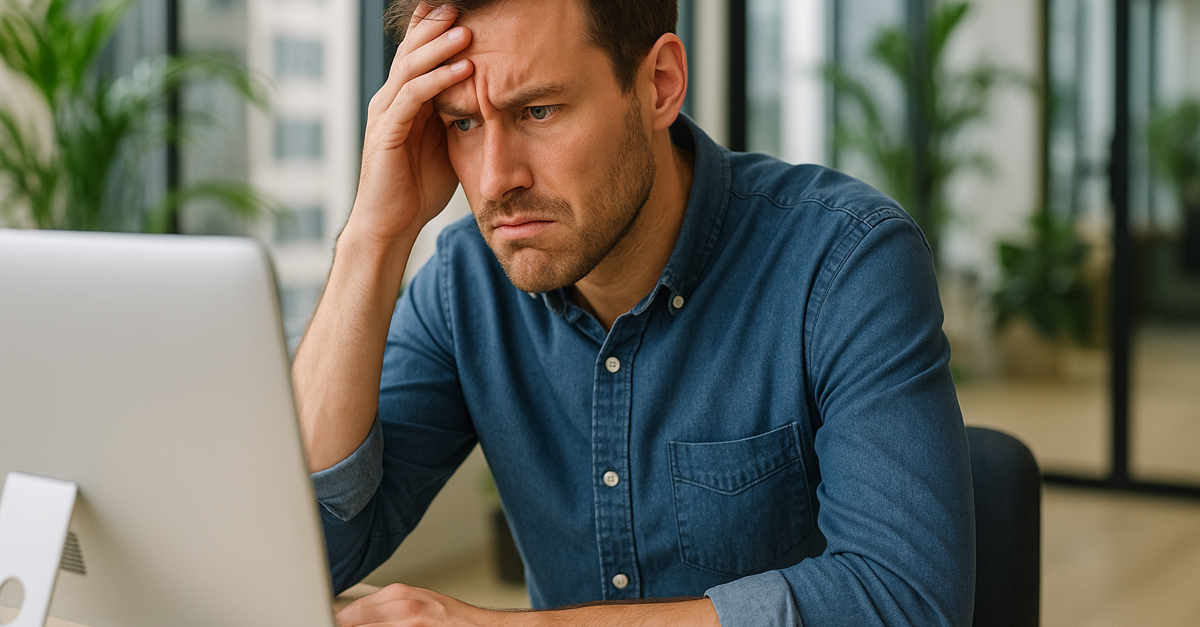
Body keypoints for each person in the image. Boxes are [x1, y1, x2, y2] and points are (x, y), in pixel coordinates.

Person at [292, 0, 976, 625]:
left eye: (538, 111)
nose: (497, 177)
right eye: (463, 123)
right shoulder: (463, 284)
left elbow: (904, 598)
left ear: (659, 85)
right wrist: (373, 239)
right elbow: (303, 547)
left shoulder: (844, 261)